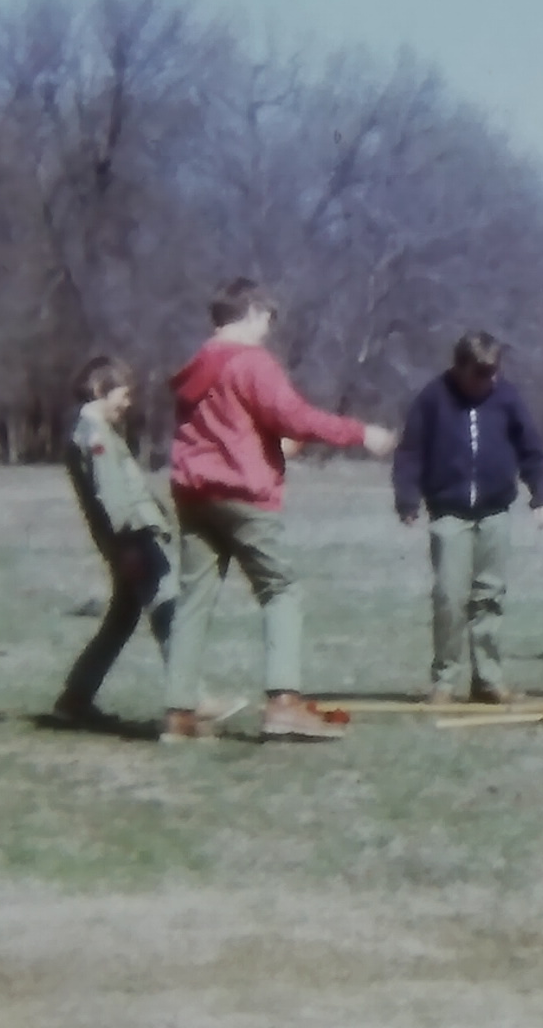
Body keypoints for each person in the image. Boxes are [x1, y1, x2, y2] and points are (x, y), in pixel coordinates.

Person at [162, 277, 393, 743]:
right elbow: (294, 416)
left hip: (193, 495)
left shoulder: (195, 368)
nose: (269, 330)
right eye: (267, 319)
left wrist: (275, 445)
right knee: (281, 590)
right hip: (244, 496)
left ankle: (179, 714)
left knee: (194, 602)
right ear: (249, 314)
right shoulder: (250, 363)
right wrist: (360, 434)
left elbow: (230, 427)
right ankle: (284, 703)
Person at [391, 330, 543, 704]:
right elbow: (410, 452)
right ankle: (445, 680)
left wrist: (541, 497)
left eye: (493, 372)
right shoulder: (433, 399)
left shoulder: (507, 398)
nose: (488, 380)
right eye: (480, 373)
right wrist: (407, 499)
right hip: (449, 512)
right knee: (450, 596)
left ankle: (488, 679)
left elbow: (533, 452)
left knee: (490, 596)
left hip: (495, 511)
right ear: (460, 367)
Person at [52, 353, 179, 727]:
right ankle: (189, 701)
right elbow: (112, 497)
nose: (128, 403)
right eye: (123, 394)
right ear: (99, 389)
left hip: (130, 541)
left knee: (121, 620)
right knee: (169, 611)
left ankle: (75, 699)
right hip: (134, 542)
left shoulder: (97, 432)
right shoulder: (95, 435)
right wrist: (130, 548)